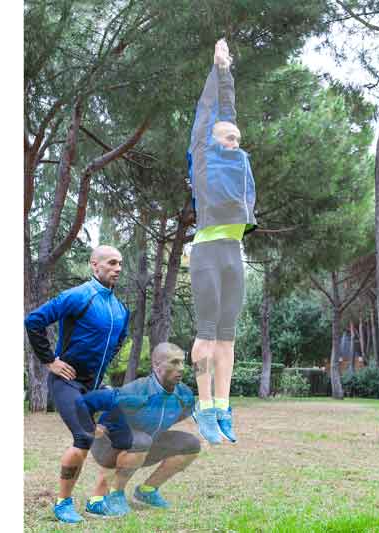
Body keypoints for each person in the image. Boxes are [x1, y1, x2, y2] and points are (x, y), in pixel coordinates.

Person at [24, 245, 130, 524]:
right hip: (67, 382)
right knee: (84, 437)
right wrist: (50, 361)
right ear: (94, 265)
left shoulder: (120, 309)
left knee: (125, 437)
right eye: (111, 263)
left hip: (94, 385)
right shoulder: (79, 296)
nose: (118, 268)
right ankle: (63, 503)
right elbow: (34, 321)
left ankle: (97, 500)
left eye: (120, 263)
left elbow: (118, 341)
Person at [186, 38, 256, 445]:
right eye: (226, 138)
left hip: (234, 252)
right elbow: (212, 113)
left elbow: (229, 115)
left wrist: (229, 71)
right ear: (211, 142)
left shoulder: (237, 160)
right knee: (207, 336)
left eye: (236, 138)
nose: (233, 142)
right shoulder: (204, 156)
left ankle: (223, 408)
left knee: (227, 337)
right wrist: (218, 70)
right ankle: (204, 404)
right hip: (208, 252)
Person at [74, 342, 201, 518]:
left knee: (191, 444)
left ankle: (147, 491)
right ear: (156, 365)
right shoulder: (136, 390)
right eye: (174, 362)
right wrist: (92, 428)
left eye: (182, 362)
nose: (181, 368)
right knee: (141, 440)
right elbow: (93, 409)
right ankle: (114, 494)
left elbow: (180, 414)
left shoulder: (184, 394)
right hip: (110, 446)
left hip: (146, 445)